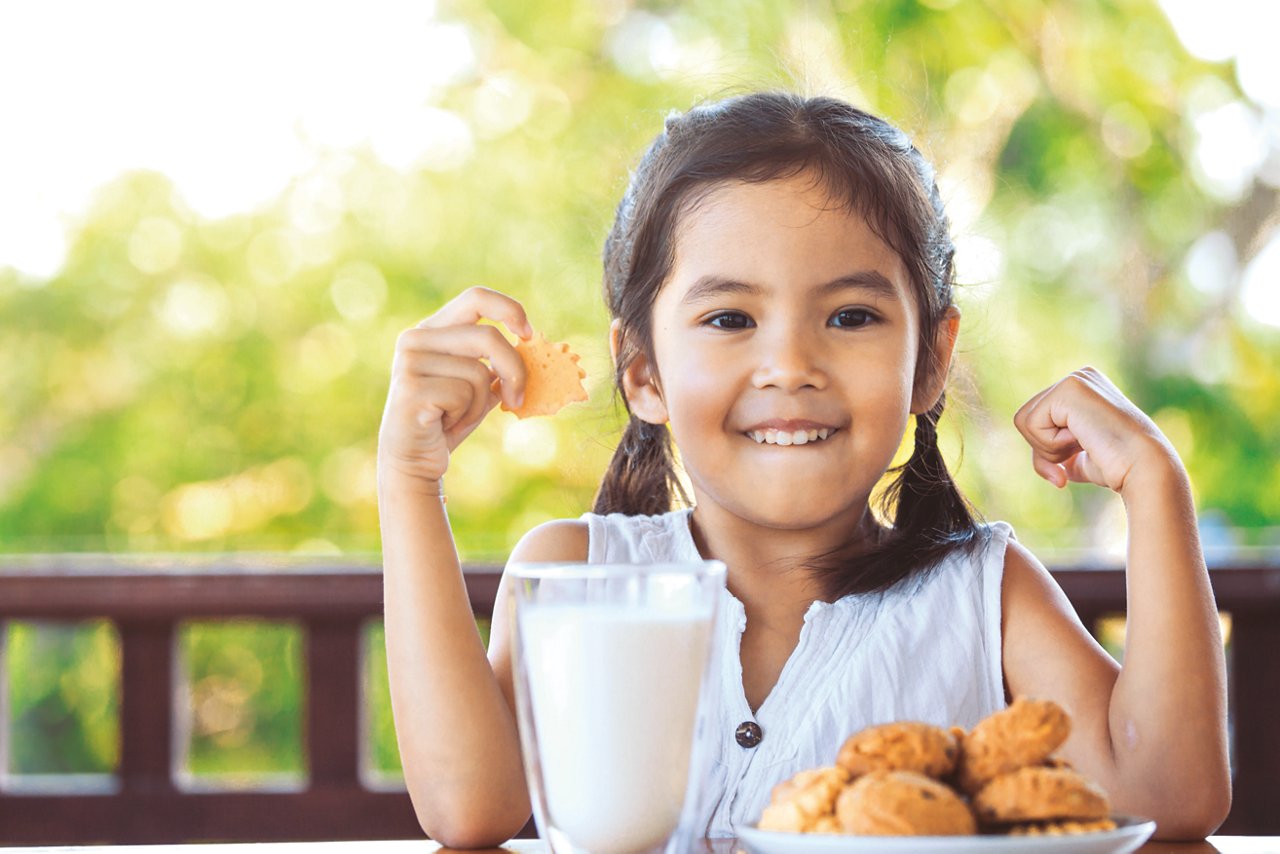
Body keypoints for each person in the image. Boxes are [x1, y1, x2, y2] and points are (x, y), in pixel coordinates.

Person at [377, 91, 1230, 846]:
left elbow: (1168, 797)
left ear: (930, 363)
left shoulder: (984, 594)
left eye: (852, 315)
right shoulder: (578, 578)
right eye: (729, 318)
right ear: (643, 373)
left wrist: (1157, 489)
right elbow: (468, 808)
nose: (790, 364)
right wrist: (410, 482)